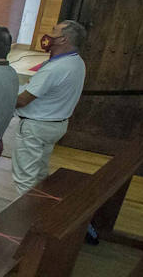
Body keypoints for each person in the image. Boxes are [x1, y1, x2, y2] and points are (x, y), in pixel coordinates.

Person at [9, 19, 87, 196]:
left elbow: (23, 100)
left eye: (54, 31)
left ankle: (24, 219)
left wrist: (1, 96)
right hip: (56, 124)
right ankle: (39, 210)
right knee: (40, 173)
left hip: (36, 126)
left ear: (63, 40)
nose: (48, 35)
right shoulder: (77, 62)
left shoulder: (55, 68)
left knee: (25, 178)